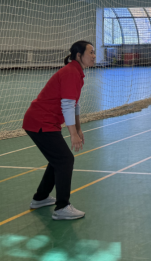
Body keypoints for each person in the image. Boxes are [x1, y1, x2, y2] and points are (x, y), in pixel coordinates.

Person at [22, 41, 96, 221]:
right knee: (65, 159)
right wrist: (73, 134)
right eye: (91, 52)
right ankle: (62, 207)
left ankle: (40, 198)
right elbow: (67, 105)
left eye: (94, 52)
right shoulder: (71, 73)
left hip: (46, 122)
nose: (94, 56)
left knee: (58, 159)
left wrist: (78, 128)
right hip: (40, 122)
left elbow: (75, 104)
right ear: (78, 55)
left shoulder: (77, 73)